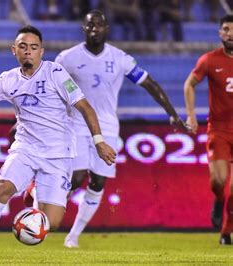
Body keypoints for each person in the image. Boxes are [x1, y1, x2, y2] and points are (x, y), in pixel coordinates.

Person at [24, 10, 189, 248]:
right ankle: (38, 209)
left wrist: (172, 112)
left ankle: (73, 236)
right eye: (90, 26)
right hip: (77, 123)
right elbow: (46, 86)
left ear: (106, 29)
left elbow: (148, 83)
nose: (94, 29)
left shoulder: (120, 58)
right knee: (78, 176)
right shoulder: (67, 58)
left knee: (99, 181)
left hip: (109, 126)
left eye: (99, 25)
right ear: (84, 28)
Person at [0, 25, 117, 263]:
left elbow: (85, 107)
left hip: (58, 155)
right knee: (1, 191)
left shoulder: (56, 73)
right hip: (25, 149)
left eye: (33, 47)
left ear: (41, 51)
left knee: (51, 224)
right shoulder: (8, 79)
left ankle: (33, 189)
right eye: (23, 47)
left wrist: (99, 141)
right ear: (14, 51)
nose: (28, 52)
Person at [184, 14, 233, 245]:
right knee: (219, 181)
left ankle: (226, 231)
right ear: (220, 33)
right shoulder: (210, 60)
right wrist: (192, 115)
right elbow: (190, 84)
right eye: (226, 29)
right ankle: (217, 199)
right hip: (219, 130)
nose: (230, 33)